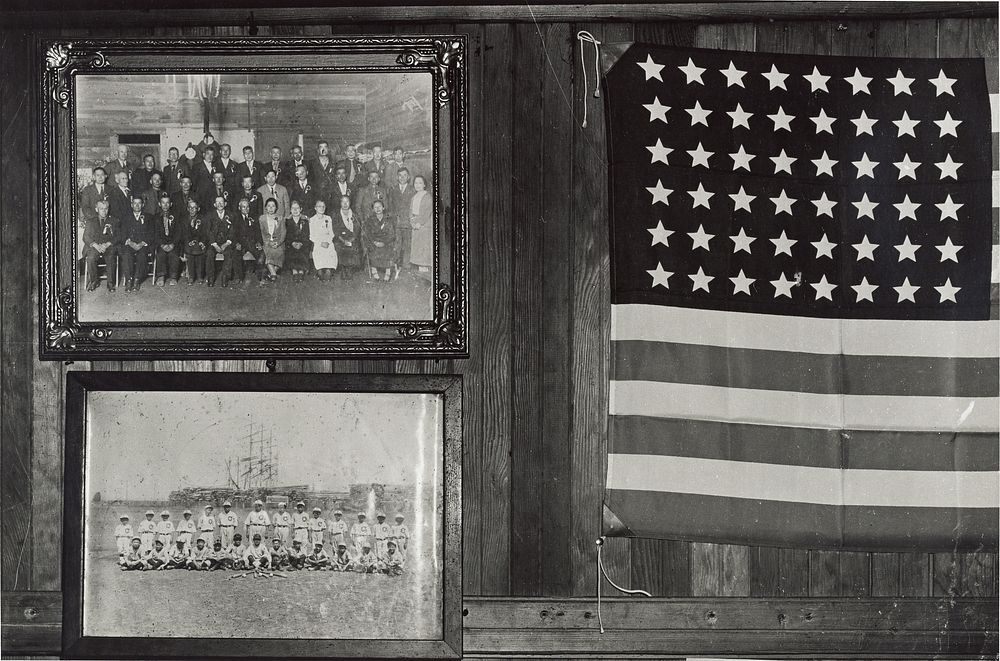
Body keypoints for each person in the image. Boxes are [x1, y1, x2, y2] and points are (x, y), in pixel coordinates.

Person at [82, 200, 121, 292]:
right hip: (94, 246)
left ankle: (110, 283)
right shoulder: (90, 221)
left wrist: (108, 244)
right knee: (91, 258)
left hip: (108, 246)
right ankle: (94, 281)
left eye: (106, 208)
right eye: (101, 209)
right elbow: (86, 237)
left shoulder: (114, 220)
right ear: (96, 209)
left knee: (111, 257)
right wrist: (95, 245)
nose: (104, 211)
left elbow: (119, 236)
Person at [120, 194, 154, 292]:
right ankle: (129, 279)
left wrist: (142, 243)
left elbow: (152, 233)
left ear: (143, 205)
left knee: (142, 255)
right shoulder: (125, 217)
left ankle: (137, 279)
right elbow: (122, 233)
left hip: (142, 244)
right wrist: (130, 243)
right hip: (130, 244)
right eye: (135, 203)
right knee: (126, 254)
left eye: (139, 203)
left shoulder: (149, 217)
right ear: (131, 205)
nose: (137, 205)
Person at [388, 167, 416, 275]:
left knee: (408, 243)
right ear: (397, 177)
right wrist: (393, 218)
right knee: (397, 243)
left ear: (408, 177)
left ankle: (406, 264)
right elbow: (390, 206)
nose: (402, 177)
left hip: (408, 222)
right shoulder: (393, 189)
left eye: (405, 175)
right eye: (400, 175)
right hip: (397, 221)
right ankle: (395, 264)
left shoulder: (412, 190)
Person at [207, 195, 238, 287]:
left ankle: (225, 277)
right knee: (209, 253)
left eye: (222, 202)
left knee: (229, 253)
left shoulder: (231, 215)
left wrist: (227, 243)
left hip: (226, 242)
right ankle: (210, 277)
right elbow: (208, 231)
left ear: (225, 204)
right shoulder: (210, 216)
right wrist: (215, 245)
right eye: (217, 202)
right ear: (214, 204)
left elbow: (233, 231)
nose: (220, 204)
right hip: (213, 243)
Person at [362, 200, 396, 282]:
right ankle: (374, 272)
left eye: (379, 206)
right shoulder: (369, 220)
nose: (378, 209)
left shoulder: (388, 219)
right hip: (374, 242)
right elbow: (367, 234)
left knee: (388, 250)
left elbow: (391, 234)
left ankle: (388, 273)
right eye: (375, 207)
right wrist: (375, 242)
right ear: (373, 209)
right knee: (372, 250)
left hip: (386, 242)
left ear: (383, 208)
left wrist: (384, 243)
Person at [234, 197, 264, 286]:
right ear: (239, 208)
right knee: (236, 254)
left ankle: (260, 275)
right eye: (243, 207)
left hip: (252, 242)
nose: (246, 209)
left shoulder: (253, 218)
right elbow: (233, 233)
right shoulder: (236, 218)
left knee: (260, 253)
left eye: (247, 207)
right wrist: (236, 243)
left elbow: (258, 232)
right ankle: (239, 277)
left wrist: (259, 242)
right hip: (241, 243)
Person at [332, 195, 361, 281]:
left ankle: (349, 269)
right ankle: (343, 269)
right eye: (343, 202)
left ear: (350, 203)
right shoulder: (336, 215)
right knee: (340, 247)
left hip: (352, 238)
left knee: (354, 247)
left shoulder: (354, 215)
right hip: (340, 238)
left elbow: (357, 229)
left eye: (347, 202)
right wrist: (343, 240)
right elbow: (335, 229)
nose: (345, 204)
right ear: (340, 203)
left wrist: (352, 239)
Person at [409, 175, 433, 274]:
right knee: (418, 249)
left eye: (420, 183)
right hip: (416, 225)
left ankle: (426, 272)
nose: (417, 185)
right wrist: (412, 222)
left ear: (424, 185)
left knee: (424, 249)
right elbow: (410, 211)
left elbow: (426, 212)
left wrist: (419, 223)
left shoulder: (428, 196)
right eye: (416, 183)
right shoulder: (414, 197)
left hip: (424, 226)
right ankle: (421, 271)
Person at [181, 199, 208, 285]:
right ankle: (191, 276)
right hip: (188, 242)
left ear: (198, 209)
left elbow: (205, 233)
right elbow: (183, 233)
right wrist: (189, 241)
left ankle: (200, 275)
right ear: (187, 209)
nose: (192, 210)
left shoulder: (203, 219)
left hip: (199, 241)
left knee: (199, 248)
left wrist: (201, 241)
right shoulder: (184, 220)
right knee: (189, 250)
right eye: (190, 208)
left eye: (194, 208)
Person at [285, 200, 312, 282]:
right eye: (293, 208)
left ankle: (301, 271)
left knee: (302, 251)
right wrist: (292, 243)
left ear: (301, 209)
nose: (295, 210)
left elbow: (306, 234)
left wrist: (301, 243)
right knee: (292, 251)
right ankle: (294, 271)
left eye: (297, 208)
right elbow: (287, 235)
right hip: (291, 243)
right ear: (290, 210)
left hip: (303, 243)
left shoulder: (305, 221)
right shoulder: (287, 221)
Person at [260, 197, 286, 281]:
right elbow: (261, 233)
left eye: (273, 206)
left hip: (278, 243)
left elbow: (283, 232)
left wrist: (278, 243)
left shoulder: (280, 218)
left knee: (280, 252)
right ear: (266, 207)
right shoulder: (262, 218)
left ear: (276, 208)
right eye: (269, 206)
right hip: (267, 243)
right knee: (269, 252)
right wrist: (268, 243)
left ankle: (270, 273)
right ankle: (273, 274)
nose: (271, 208)